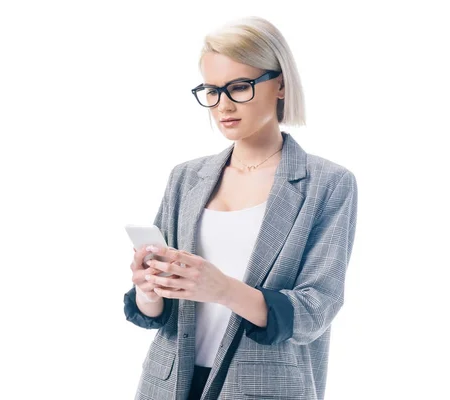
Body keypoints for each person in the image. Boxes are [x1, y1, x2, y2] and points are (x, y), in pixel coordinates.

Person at [123, 16, 358, 400]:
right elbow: (159, 312)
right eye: (212, 91)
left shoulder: (328, 183)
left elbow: (317, 308)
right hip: (167, 385)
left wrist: (224, 290)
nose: (222, 106)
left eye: (239, 87)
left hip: (262, 388)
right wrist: (150, 291)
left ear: (280, 84)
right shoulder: (186, 177)